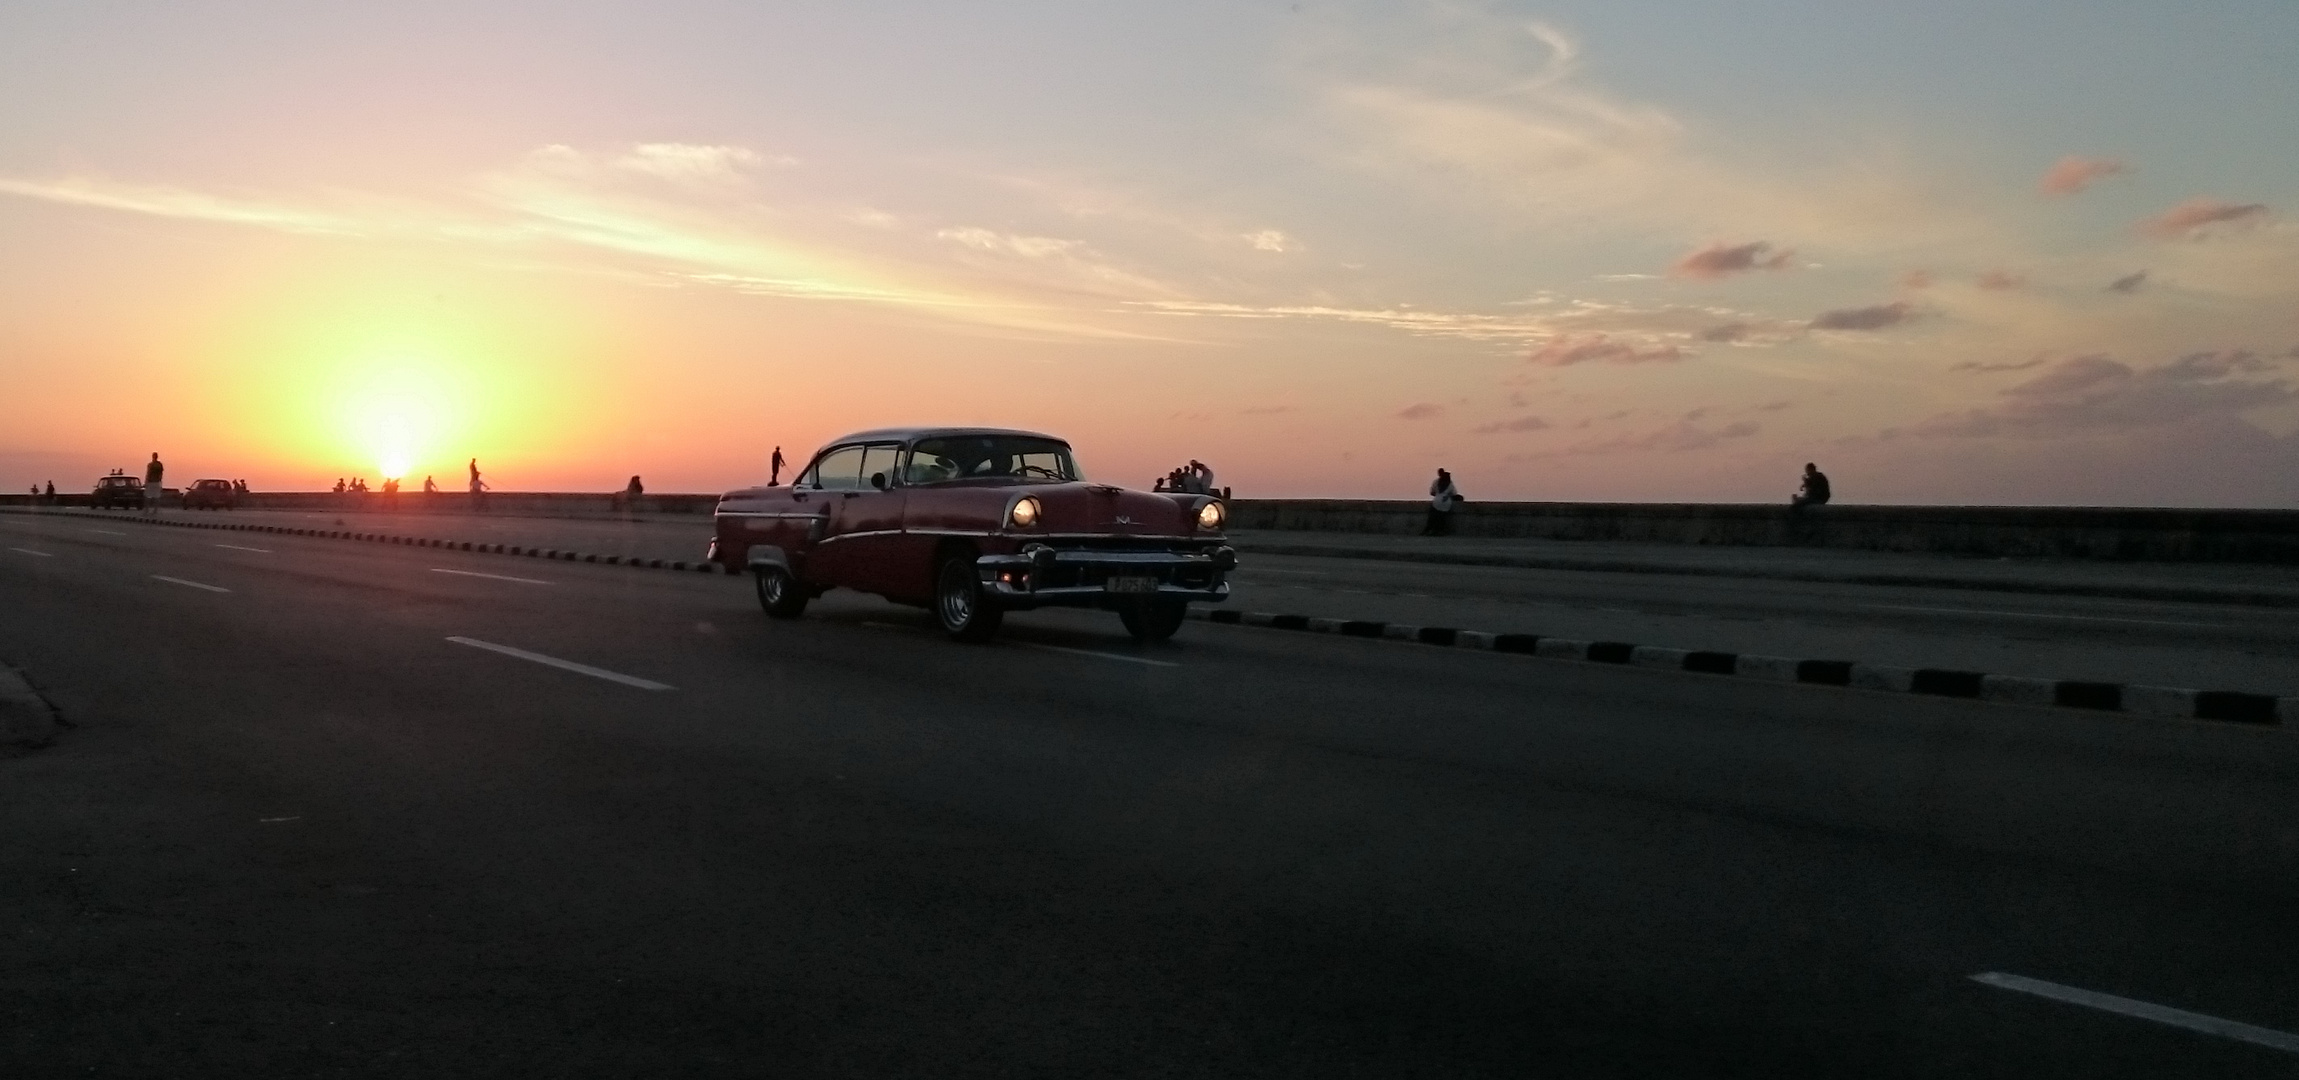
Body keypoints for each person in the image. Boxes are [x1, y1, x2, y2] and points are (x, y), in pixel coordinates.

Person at [1424, 468, 1462, 536]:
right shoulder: (1450, 484)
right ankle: (1440, 531)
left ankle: (1430, 530)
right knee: (1442, 517)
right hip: (1446, 502)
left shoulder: (1436, 482)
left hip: (1436, 501)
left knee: (1433, 516)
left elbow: (1432, 493)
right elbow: (1454, 493)